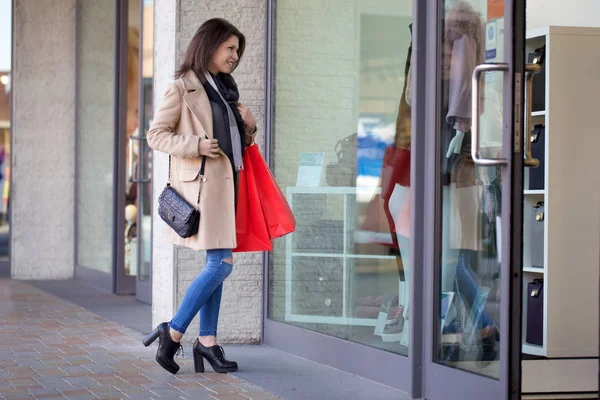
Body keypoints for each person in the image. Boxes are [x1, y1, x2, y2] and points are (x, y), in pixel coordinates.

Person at [142, 18, 258, 375]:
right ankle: (174, 332)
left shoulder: (226, 91)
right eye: (230, 48)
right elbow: (156, 135)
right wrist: (194, 145)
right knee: (220, 265)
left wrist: (250, 125)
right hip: (204, 191)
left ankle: (207, 343)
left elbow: (239, 144)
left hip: (229, 189)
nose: (235, 56)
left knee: (218, 266)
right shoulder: (182, 89)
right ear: (209, 46)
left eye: (238, 50)